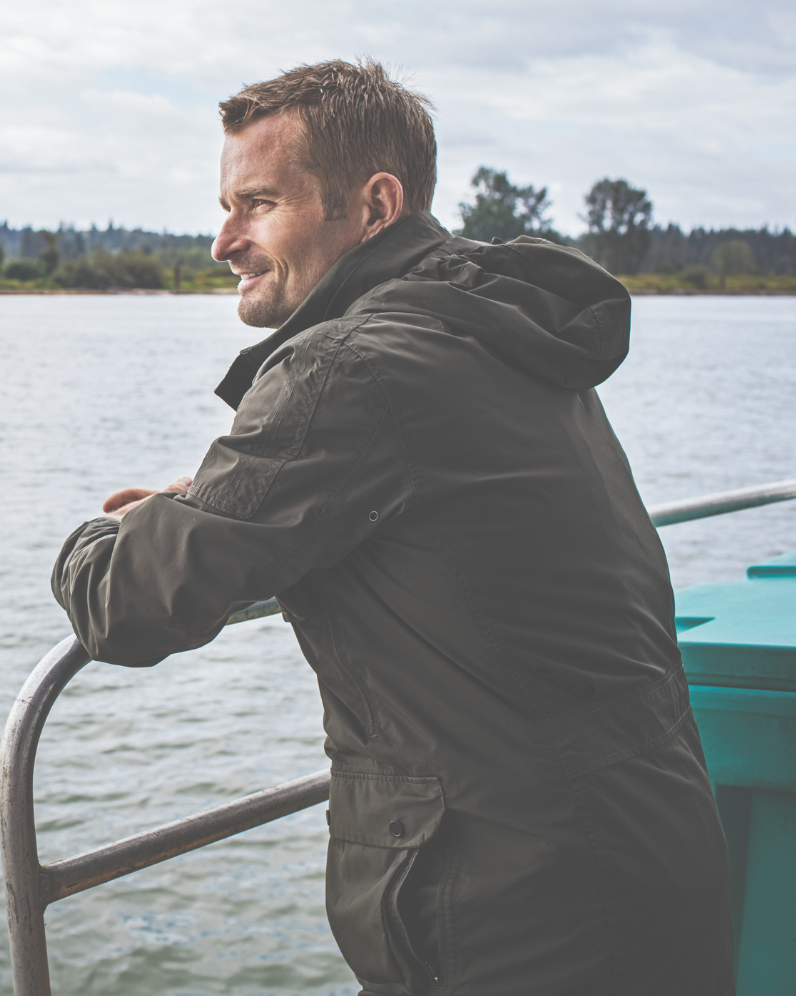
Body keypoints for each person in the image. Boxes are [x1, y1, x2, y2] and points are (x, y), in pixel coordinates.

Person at [52, 59, 734, 996]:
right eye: (225, 205)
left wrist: (112, 533)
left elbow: (126, 604)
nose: (224, 241)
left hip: (519, 915)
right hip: (644, 853)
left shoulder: (357, 365)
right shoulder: (490, 325)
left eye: (257, 203)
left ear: (373, 206)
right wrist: (224, 501)